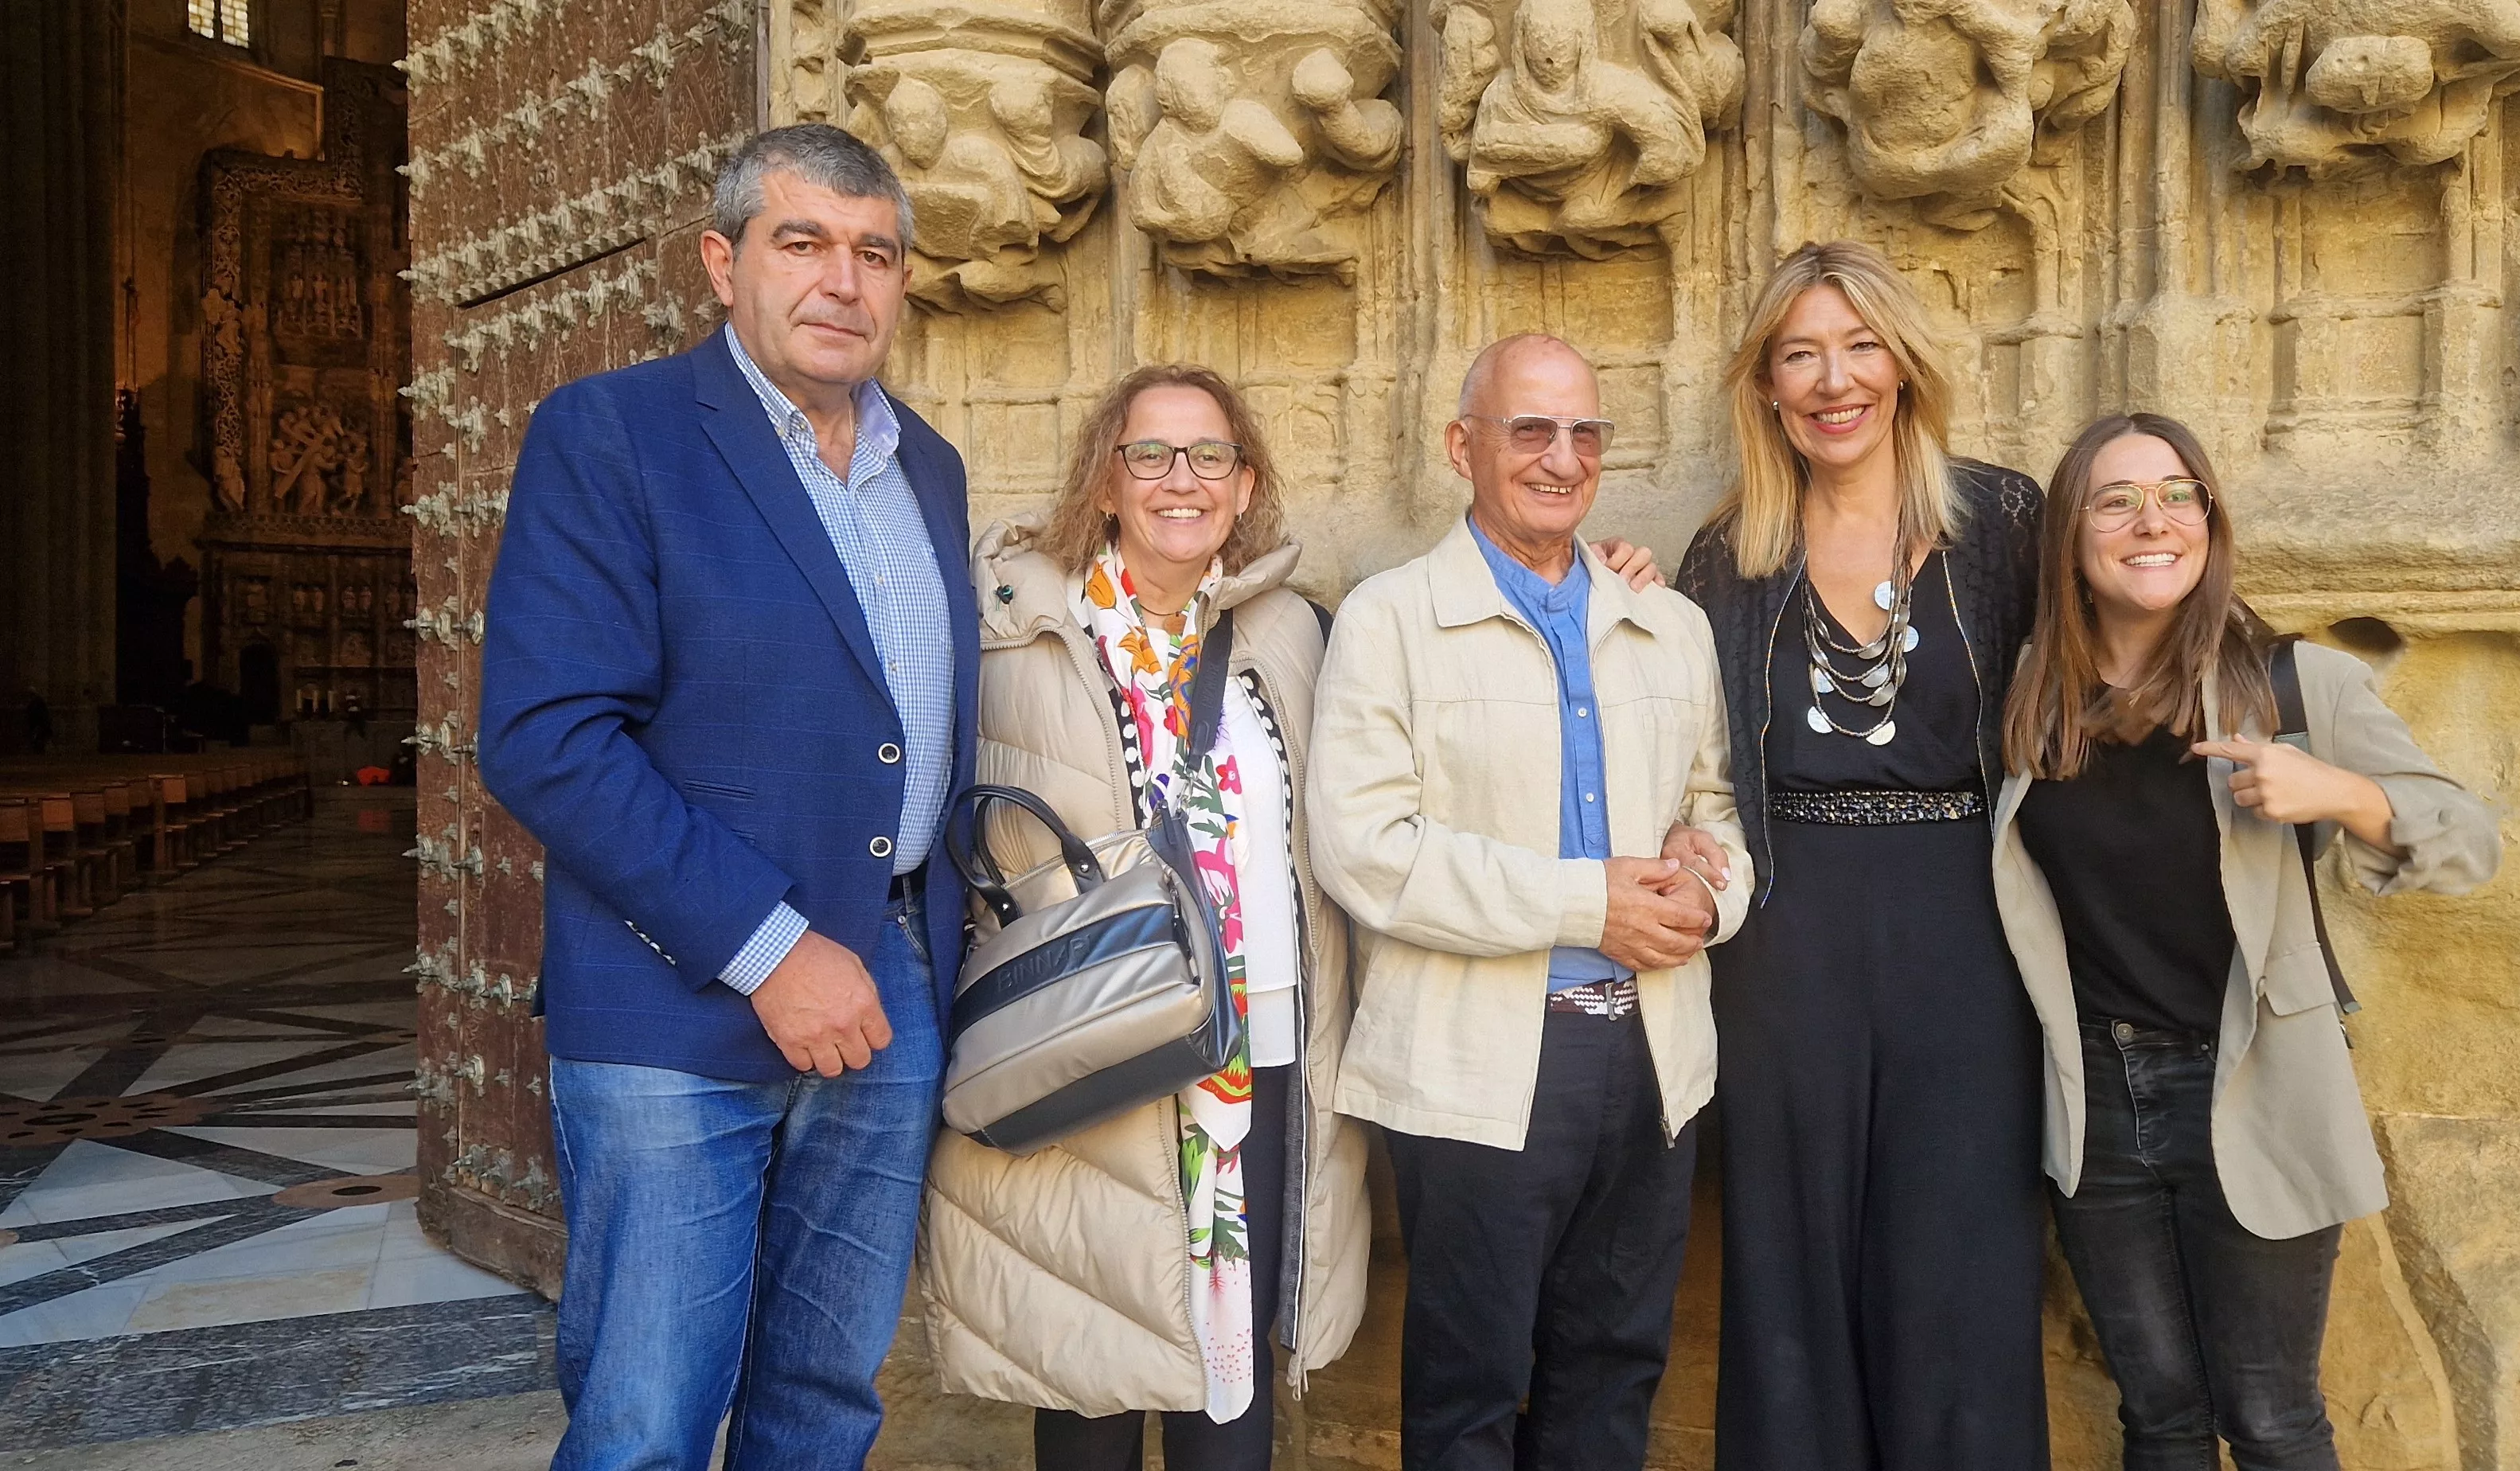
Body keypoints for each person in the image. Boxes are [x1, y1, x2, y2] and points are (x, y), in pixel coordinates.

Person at [478, 124, 977, 1470]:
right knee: (647, 1414)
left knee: (823, 1396)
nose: (843, 281)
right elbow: (544, 736)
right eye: (801, 241)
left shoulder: (926, 463)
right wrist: (769, 950)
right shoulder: (612, 433)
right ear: (723, 261)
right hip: (677, 1009)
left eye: (875, 253)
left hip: (892, 992)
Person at [1990, 412, 2499, 1470]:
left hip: (2249, 1078)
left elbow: (2467, 842)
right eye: (2117, 499)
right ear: (2070, 539)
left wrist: (2344, 793)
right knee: (2158, 1414)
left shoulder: (2290, 683)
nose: (2153, 520)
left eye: (2179, 495)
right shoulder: (2030, 692)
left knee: (2269, 1418)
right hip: (2091, 1094)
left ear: (2210, 524)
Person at [912, 365, 1365, 1471]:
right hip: (1085, 1043)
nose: (1181, 480)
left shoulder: (1293, 632)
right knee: (1088, 1375)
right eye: (1148, 454)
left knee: (1234, 1379)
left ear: (1244, 481)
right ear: (1105, 480)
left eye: (1209, 456)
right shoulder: (1008, 627)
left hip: (1254, 1056)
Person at [1310, 333, 1750, 1471]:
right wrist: (1582, 905)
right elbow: (1364, 848)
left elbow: (1717, 810)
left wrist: (1712, 897)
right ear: (1464, 446)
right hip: (1481, 1064)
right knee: (1470, 1387)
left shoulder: (1670, 624)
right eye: (1529, 431)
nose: (1560, 459)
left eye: (1583, 433)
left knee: (1613, 1374)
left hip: (1651, 1054)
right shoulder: (1388, 620)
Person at [1670, 239, 2052, 1471]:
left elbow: (2114, 662)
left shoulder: (2000, 524)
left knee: (1959, 1266)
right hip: (1787, 950)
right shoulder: (1725, 559)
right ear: (1767, 388)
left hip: (1966, 937)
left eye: (1858, 346)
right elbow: (1692, 748)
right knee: (1791, 1267)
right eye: (1800, 356)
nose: (1834, 380)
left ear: (1902, 365)